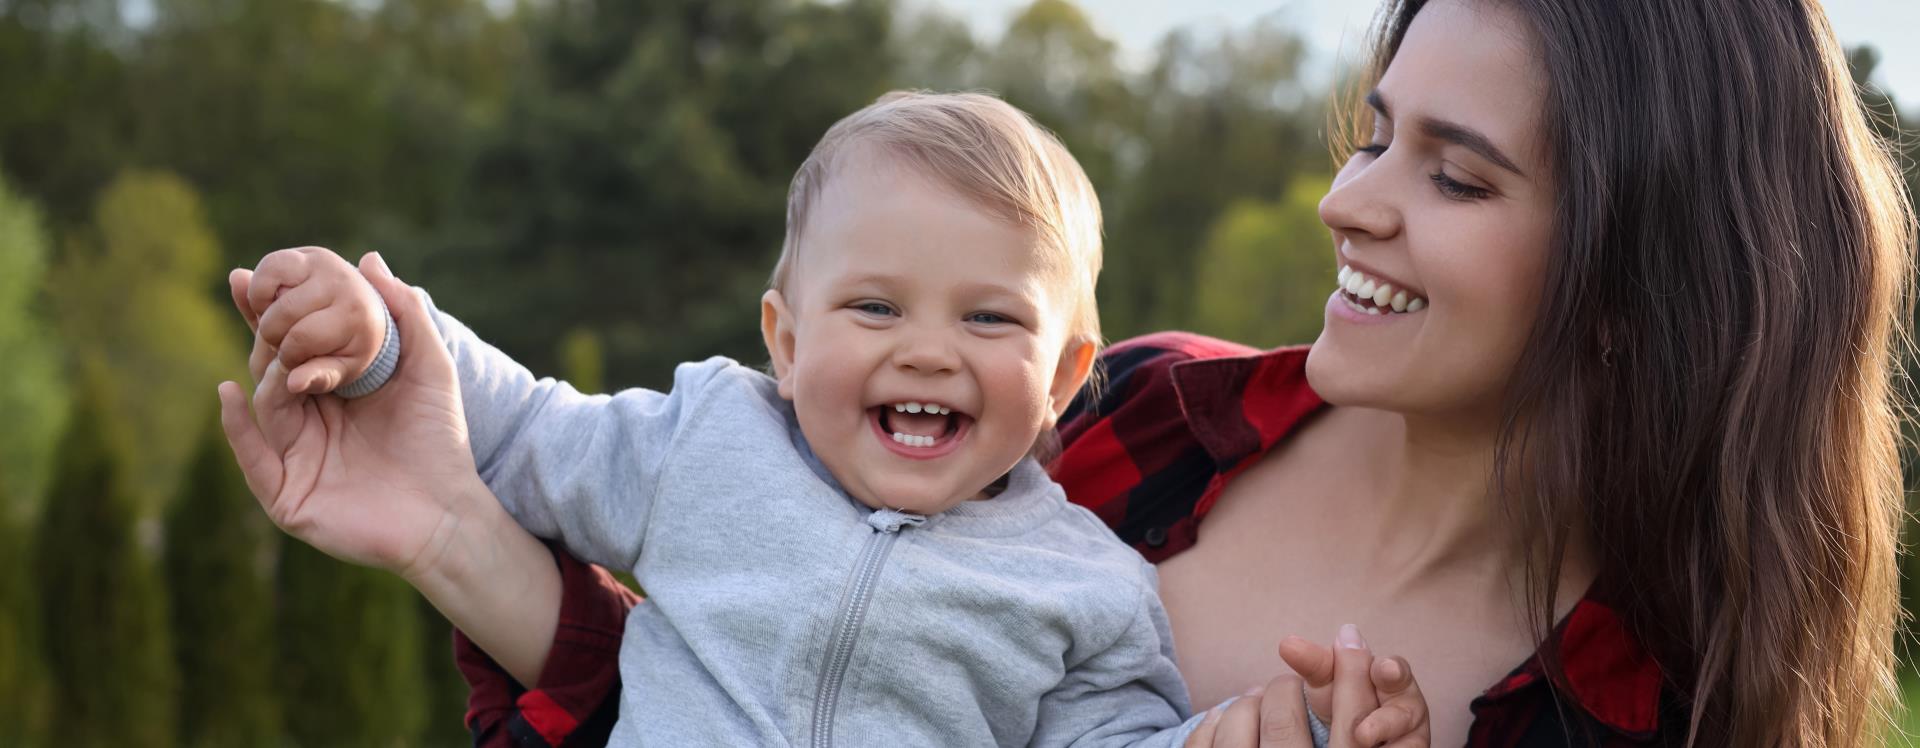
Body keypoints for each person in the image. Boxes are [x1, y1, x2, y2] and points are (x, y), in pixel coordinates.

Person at [281, 0, 1906, 746]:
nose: (1349, 199)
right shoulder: (1134, 418)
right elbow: (748, 663)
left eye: (1457, 174)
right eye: (1377, 132)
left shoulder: (1633, 717)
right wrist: (449, 526)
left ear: (1635, 280)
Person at [219, 92, 1427, 746]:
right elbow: (525, 424)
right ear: (785, 343)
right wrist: (383, 340)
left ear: (1065, 378)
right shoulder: (703, 443)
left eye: (990, 323)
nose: (927, 350)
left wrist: (1282, 736)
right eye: (874, 304)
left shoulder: (1087, 585)